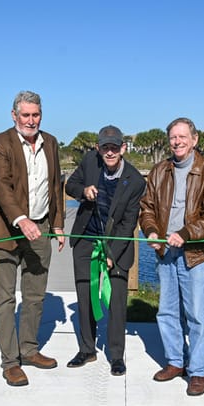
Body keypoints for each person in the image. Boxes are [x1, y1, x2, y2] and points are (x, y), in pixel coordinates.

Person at [0, 90, 66, 387]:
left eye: (36, 115)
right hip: (5, 230)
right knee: (4, 299)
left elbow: (56, 185)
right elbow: (1, 187)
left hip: (40, 228)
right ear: (14, 115)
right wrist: (22, 219)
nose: (31, 120)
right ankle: (10, 362)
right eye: (26, 115)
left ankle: (29, 349)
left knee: (35, 294)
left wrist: (56, 223)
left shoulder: (51, 143)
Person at [138, 118, 204, 396]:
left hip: (198, 255)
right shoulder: (159, 171)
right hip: (166, 253)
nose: (177, 142)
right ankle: (175, 362)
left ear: (195, 139)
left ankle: (197, 370)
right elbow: (147, 207)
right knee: (166, 311)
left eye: (182, 137)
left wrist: (186, 233)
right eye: (173, 137)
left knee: (198, 316)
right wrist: (151, 232)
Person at [65, 125, 145, 376]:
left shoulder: (135, 180)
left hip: (116, 245)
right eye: (104, 147)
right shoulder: (90, 161)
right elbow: (70, 185)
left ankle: (117, 355)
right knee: (86, 296)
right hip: (86, 239)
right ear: (98, 149)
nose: (109, 152)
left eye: (114, 147)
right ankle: (87, 349)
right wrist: (83, 191)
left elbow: (129, 223)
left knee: (116, 301)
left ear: (122, 148)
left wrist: (112, 255)